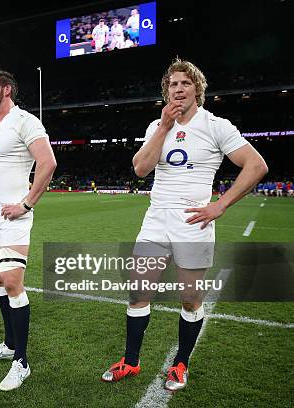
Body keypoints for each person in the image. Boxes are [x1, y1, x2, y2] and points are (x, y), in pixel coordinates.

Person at [101, 59, 268, 390]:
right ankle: (131, 362)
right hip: (156, 218)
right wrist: (163, 128)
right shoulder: (156, 126)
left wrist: (220, 205)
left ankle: (180, 364)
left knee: (190, 298)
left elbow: (256, 165)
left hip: (193, 222)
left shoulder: (216, 125)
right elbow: (140, 169)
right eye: (173, 84)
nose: (178, 89)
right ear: (167, 91)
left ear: (198, 90)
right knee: (138, 292)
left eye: (185, 83)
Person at [0, 70, 57, 391]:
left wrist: (27, 204)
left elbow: (47, 163)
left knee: (12, 281)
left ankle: (21, 361)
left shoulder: (25, 121)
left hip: (13, 216)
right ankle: (8, 345)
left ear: (7, 90)